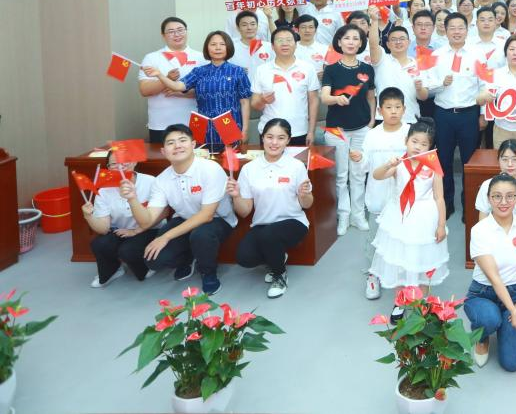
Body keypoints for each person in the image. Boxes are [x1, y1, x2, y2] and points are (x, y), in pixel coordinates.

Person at [122, 124, 236, 294]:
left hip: (218, 220)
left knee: (201, 235)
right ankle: (187, 258)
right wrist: (132, 199)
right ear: (163, 151)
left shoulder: (210, 169)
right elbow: (147, 221)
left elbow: (206, 215)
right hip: (184, 219)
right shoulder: (161, 180)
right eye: (171, 143)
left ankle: (208, 272)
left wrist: (166, 236)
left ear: (193, 144)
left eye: (182, 140)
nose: (177, 146)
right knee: (154, 260)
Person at [369, 120, 449, 322]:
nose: (418, 147)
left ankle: (422, 302)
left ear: (430, 147)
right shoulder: (399, 163)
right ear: (406, 140)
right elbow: (377, 176)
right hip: (400, 217)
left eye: (424, 144)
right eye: (414, 141)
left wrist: (441, 225)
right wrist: (389, 164)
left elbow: (439, 197)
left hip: (425, 217)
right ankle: (400, 302)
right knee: (400, 260)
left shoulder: (432, 166)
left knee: (423, 260)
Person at [229, 118, 313, 298]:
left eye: (281, 138)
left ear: (288, 140)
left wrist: (304, 194)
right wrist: (236, 196)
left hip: (293, 222)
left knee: (269, 236)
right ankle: (277, 256)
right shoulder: (249, 169)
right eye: (270, 137)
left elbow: (307, 204)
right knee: (244, 258)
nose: (274, 142)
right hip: (263, 224)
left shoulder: (296, 166)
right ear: (262, 137)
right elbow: (244, 211)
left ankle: (279, 275)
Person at [465, 172, 516, 371]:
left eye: (510, 196)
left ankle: (510, 330)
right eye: (497, 196)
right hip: (484, 293)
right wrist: (514, 311)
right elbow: (495, 279)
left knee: (512, 363)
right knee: (489, 319)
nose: (504, 202)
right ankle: (482, 335)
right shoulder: (480, 230)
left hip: (515, 292)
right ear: (489, 199)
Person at [145, 31, 251, 152]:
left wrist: (245, 130)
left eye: (222, 44)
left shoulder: (238, 71)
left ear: (228, 47)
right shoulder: (199, 71)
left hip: (230, 125)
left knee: (231, 160)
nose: (218, 48)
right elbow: (177, 86)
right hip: (204, 126)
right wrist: (159, 75)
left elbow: (245, 102)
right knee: (204, 159)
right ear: (207, 48)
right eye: (213, 44)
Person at [320, 24, 377, 235]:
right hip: (337, 130)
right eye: (347, 38)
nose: (351, 42)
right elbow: (324, 97)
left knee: (359, 174)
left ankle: (358, 215)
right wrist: (337, 99)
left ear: (361, 43)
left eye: (356, 38)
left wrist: (371, 121)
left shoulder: (367, 69)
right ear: (339, 42)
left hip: (362, 128)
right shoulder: (331, 69)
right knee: (341, 176)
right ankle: (343, 215)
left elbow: (371, 97)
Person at [362, 88, 411, 301]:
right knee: (376, 239)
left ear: (404, 109)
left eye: (397, 107)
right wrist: (358, 159)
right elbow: (365, 166)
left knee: (403, 238)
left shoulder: (410, 133)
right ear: (380, 110)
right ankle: (373, 275)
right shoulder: (372, 135)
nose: (393, 111)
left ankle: (404, 275)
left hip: (404, 197)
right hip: (378, 196)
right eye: (388, 107)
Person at [81, 150, 156, 287]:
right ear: (108, 168)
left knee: (128, 250)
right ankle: (113, 270)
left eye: (124, 162)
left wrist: (136, 231)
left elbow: (162, 213)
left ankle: (145, 268)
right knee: (99, 244)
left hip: (150, 228)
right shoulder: (103, 190)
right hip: (120, 230)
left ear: (134, 162)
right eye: (114, 164)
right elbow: (103, 229)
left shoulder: (151, 182)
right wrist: (88, 216)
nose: (120, 167)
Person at [139, 17, 205, 143]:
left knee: (196, 154)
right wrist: (166, 80)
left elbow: (209, 91)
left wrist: (181, 93)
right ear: (163, 35)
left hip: (194, 121)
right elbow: (144, 90)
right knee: (160, 155)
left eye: (180, 30)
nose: (177, 34)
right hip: (160, 123)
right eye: (171, 31)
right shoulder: (152, 57)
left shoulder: (201, 57)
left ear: (186, 31)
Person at [250, 27, 319, 146]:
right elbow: (254, 104)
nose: (285, 43)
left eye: (289, 40)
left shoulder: (308, 68)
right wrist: (263, 100)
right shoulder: (262, 70)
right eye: (280, 40)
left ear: (296, 44)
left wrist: (311, 131)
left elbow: (313, 101)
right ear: (272, 46)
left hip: (299, 131)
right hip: (270, 133)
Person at [368, 21, 425, 127]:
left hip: (411, 118)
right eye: (394, 39)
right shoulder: (382, 60)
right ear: (388, 44)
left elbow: (423, 97)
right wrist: (374, 20)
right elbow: (373, 45)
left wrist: (420, 89)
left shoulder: (418, 64)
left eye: (402, 39)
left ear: (409, 42)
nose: (398, 42)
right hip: (384, 118)